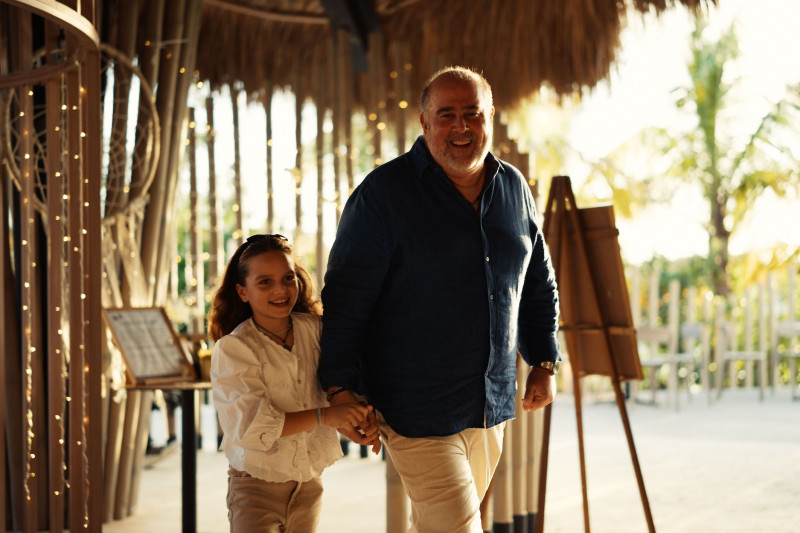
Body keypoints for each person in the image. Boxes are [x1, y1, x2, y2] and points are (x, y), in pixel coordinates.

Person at [318, 66, 561, 532]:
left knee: (438, 524)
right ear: (425, 123)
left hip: (491, 404)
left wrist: (545, 362)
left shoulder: (515, 190)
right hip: (415, 407)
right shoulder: (383, 195)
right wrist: (340, 388)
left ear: (490, 116)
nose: (461, 127)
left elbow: (537, 284)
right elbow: (347, 298)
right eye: (446, 115)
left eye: (472, 113)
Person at [208, 234, 378, 532]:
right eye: (265, 281)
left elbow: (337, 386)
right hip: (255, 485)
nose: (281, 290)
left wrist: (357, 418)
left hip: (309, 482)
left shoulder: (317, 331)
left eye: (288, 278)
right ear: (242, 292)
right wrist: (326, 416)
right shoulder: (233, 348)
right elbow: (252, 427)